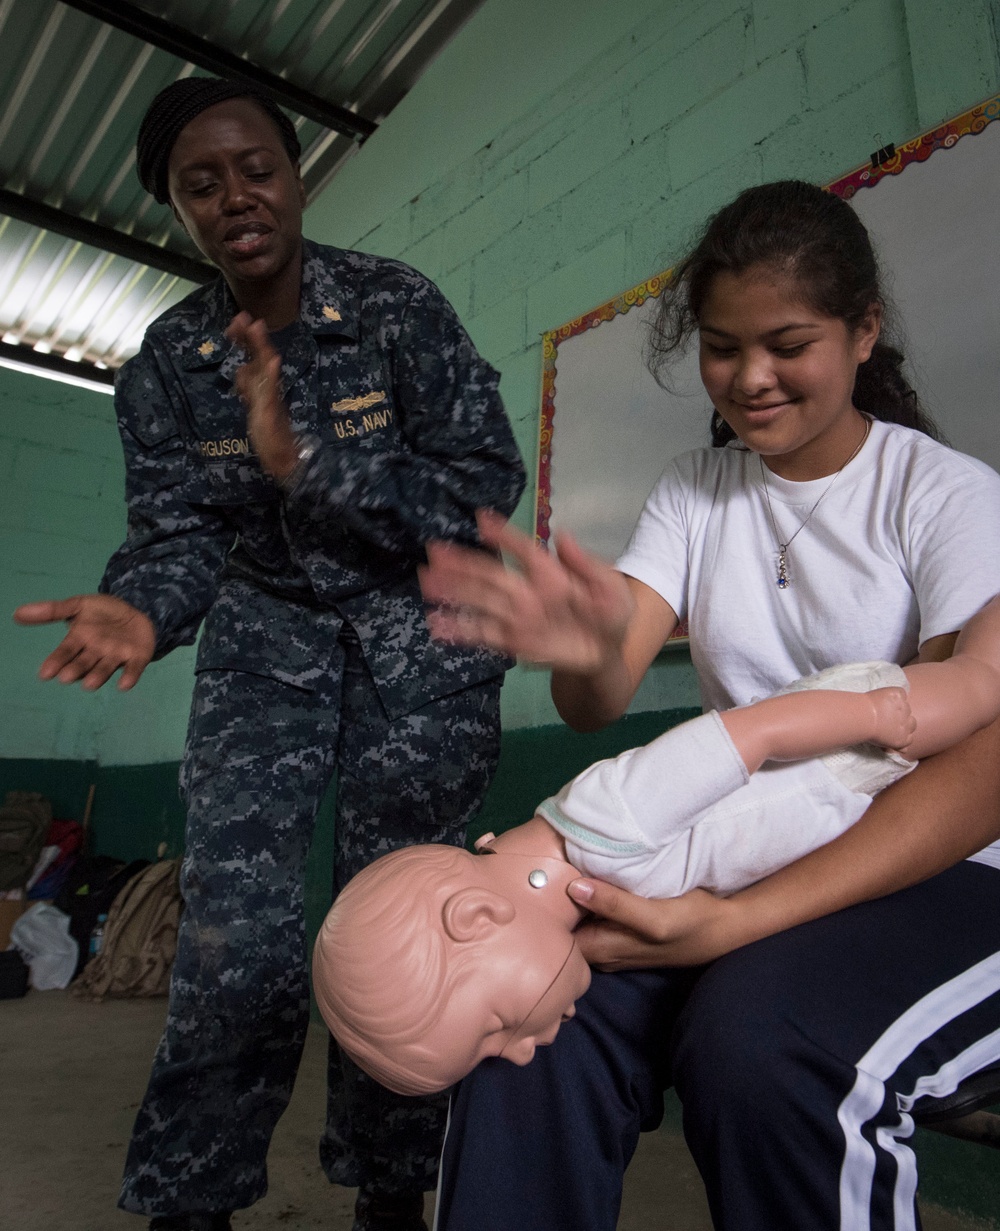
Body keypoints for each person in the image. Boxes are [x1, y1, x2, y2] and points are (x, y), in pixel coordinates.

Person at [416, 180, 1000, 1230]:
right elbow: (597, 703)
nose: (749, 378)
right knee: (529, 1008)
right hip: (741, 851)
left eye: (786, 343)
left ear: (863, 330)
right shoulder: (694, 489)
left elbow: (979, 770)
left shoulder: (947, 495)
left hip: (946, 867)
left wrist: (726, 924)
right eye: (722, 348)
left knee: (761, 1040)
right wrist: (584, 650)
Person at [13, 77, 525, 1231]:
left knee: (403, 925)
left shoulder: (395, 307)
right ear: (176, 209)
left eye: (256, 168)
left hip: (418, 640)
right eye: (202, 183)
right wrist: (143, 609)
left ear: (293, 176)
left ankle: (394, 1192)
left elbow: (482, 483)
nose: (235, 196)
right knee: (234, 932)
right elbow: (176, 533)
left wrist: (307, 464)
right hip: (262, 641)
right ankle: (192, 1203)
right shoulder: (166, 358)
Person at [312, 610, 1000, 1097]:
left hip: (853, 739)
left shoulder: (612, 817)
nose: (518, 1049)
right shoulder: (586, 865)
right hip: (850, 790)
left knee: (980, 681)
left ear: (476, 915)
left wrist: (876, 717)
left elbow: (751, 732)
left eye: (494, 1028)